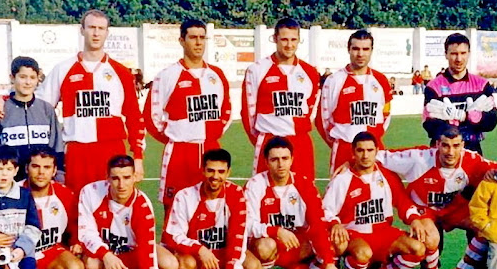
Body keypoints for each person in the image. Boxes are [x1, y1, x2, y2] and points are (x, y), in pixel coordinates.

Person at [0, 9, 146, 195]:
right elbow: (35, 100)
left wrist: (138, 157)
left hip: (111, 148)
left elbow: (135, 117)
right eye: (91, 27)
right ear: (82, 30)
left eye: (101, 28)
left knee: (112, 208)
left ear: (107, 32)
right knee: (76, 209)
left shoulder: (121, 73)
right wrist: (5, 96)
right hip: (77, 153)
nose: (96, 33)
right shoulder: (63, 70)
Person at [373, 125, 497, 269]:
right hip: (425, 210)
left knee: (486, 228)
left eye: (456, 146)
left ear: (463, 146)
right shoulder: (418, 158)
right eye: (445, 145)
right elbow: (377, 157)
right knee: (431, 238)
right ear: (437, 144)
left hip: (456, 209)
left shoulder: (472, 159)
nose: (450, 152)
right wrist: (348, 162)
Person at [323, 132, 439, 269]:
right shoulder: (342, 179)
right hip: (356, 235)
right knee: (363, 253)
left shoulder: (387, 175)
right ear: (353, 152)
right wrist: (335, 223)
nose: (365, 155)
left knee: (418, 249)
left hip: (384, 232)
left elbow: (402, 200)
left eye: (370, 150)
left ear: (377, 151)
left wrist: (414, 219)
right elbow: (325, 209)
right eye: (360, 150)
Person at [78, 155, 178, 269]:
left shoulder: (142, 205)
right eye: (115, 178)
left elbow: (147, 254)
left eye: (126, 178)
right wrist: (106, 254)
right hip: (107, 256)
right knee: (91, 265)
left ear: (135, 177)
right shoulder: (90, 192)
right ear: (107, 178)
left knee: (170, 265)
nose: (121, 185)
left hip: (134, 255)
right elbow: (85, 232)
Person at [144, 19, 231, 225]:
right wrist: (176, 137)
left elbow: (226, 111)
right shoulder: (167, 76)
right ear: (182, 40)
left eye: (202, 38)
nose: (198, 43)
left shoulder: (216, 75)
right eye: (193, 37)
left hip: (211, 150)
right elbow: (151, 117)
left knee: (211, 210)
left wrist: (212, 135)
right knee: (175, 211)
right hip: (180, 154)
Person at [244, 137, 342, 269]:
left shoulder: (304, 184)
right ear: (266, 162)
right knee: (265, 245)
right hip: (269, 246)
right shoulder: (255, 185)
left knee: (337, 241)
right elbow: (247, 224)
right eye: (274, 159)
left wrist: (329, 263)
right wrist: (277, 231)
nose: (280, 164)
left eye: (285, 158)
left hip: (297, 245)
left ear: (292, 160)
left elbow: (317, 224)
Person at [163, 149, 261, 269]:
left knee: (254, 268)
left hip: (223, 256)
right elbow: (173, 236)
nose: (215, 176)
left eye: (221, 171)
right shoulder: (185, 196)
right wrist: (199, 249)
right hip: (198, 259)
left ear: (228, 172)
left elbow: (238, 237)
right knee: (185, 264)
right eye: (211, 170)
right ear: (203, 169)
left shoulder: (236, 195)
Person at [242, 17, 320, 180]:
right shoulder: (257, 70)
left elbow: (311, 109)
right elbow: (248, 113)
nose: (289, 45)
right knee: (266, 197)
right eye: (284, 39)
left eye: (293, 40)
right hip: (270, 141)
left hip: (301, 142)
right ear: (275, 39)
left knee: (303, 196)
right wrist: (262, 141)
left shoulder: (310, 72)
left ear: (299, 40)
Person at [0, 56, 65, 189]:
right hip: (11, 186)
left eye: (32, 77)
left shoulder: (47, 110)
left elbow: (57, 147)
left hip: (42, 186)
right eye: (23, 77)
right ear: (12, 78)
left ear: (38, 79)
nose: (28, 82)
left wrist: (59, 178)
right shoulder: (1, 109)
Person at [317, 29, 393, 173]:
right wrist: (339, 142)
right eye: (356, 49)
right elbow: (322, 120)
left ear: (371, 51)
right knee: (341, 193)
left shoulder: (381, 80)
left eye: (365, 49)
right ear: (349, 50)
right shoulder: (334, 80)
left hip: (373, 149)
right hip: (344, 149)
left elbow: (386, 113)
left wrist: (374, 137)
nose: (360, 54)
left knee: (375, 193)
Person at [423, 33, 497, 155]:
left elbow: (492, 121)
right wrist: (455, 123)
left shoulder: (482, 85)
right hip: (444, 153)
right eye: (454, 54)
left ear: (469, 54)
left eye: (463, 53)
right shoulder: (433, 87)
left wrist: (469, 116)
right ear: (446, 54)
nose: (459, 59)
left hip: (473, 151)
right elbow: (430, 126)